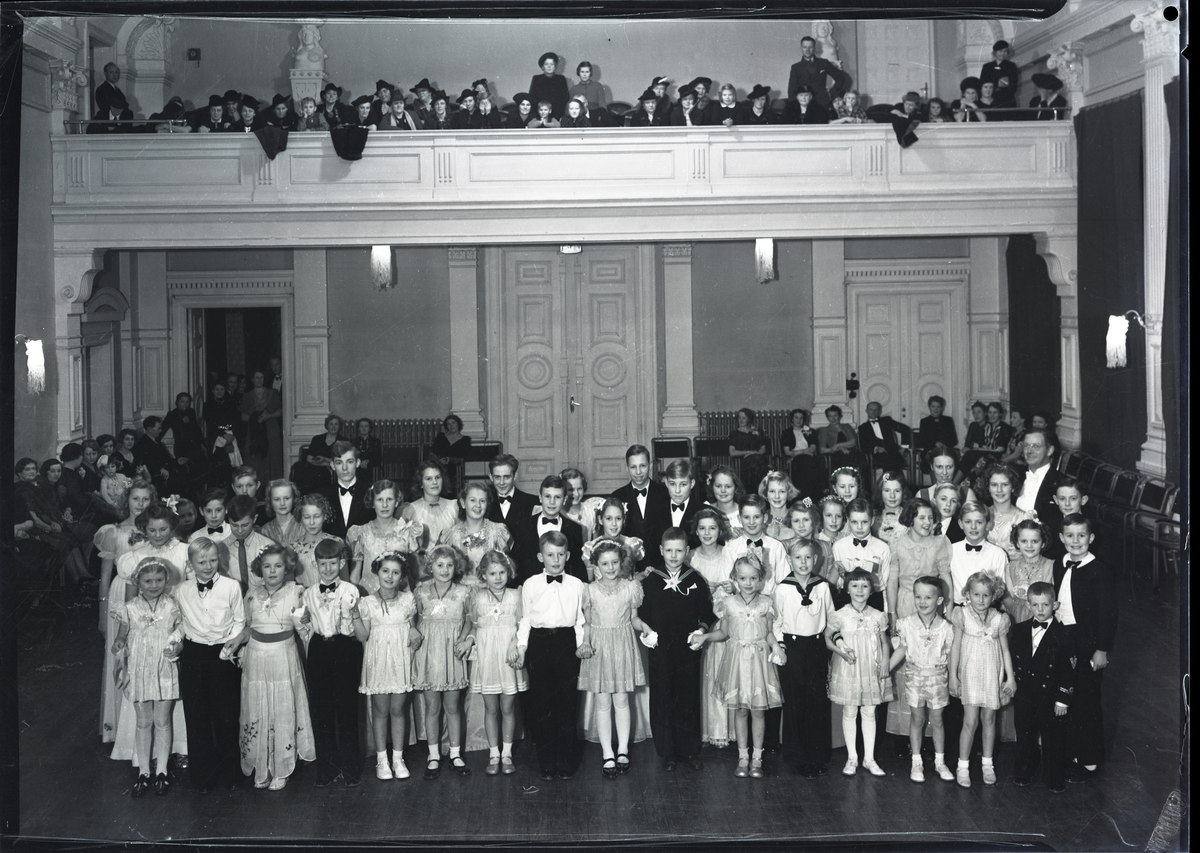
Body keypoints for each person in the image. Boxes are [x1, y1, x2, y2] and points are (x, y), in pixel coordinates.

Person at [225, 545, 313, 790]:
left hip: (283, 656)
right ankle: (260, 766)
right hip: (256, 657)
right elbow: (248, 627)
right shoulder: (252, 594)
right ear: (259, 569)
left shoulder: (297, 592)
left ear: (287, 567)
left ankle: (281, 767)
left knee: (281, 707)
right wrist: (236, 640)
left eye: (278, 565)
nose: (272, 570)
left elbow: (305, 629)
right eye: (267, 566)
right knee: (258, 707)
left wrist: (305, 622)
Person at [699, 555, 784, 780]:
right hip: (736, 662)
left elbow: (768, 633)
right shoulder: (728, 603)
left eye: (753, 578)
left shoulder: (766, 603)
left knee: (758, 710)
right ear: (734, 579)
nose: (748, 583)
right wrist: (706, 636)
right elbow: (724, 632)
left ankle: (757, 757)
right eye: (743, 578)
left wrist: (777, 648)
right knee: (740, 710)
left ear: (761, 580)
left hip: (758, 662)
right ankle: (742, 757)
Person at [515, 530, 592, 780]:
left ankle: (566, 760)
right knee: (542, 704)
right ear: (541, 556)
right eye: (550, 555)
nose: (556, 560)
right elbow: (525, 620)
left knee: (567, 703)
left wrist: (582, 645)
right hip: (538, 643)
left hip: (566, 643)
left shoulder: (576, 584)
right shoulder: (530, 584)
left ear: (567, 555)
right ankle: (546, 762)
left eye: (560, 555)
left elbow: (581, 620)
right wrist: (522, 648)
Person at [639, 527, 715, 772]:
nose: (673, 555)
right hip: (661, 648)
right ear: (661, 550)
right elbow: (643, 614)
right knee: (663, 697)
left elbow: (706, 613)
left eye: (679, 550)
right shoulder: (651, 581)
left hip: (687, 648)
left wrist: (701, 632)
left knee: (688, 697)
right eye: (669, 550)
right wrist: (647, 632)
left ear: (687, 551)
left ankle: (689, 750)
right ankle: (668, 751)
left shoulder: (696, 580)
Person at [175, 537, 245, 793]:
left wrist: (231, 644)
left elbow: (239, 620)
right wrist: (175, 644)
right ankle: (203, 777)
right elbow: (182, 623)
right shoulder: (182, 590)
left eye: (213, 560)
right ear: (191, 563)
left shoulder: (231, 586)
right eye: (201, 561)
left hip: (222, 653)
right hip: (194, 655)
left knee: (226, 717)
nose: (207, 566)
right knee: (197, 718)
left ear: (220, 559)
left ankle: (232, 775)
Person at [111, 557, 183, 797]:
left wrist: (177, 648)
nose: (154, 585)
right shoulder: (129, 607)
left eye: (159, 580)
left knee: (163, 720)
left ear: (166, 580)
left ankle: (162, 770)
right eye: (148, 580)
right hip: (139, 669)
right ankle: (144, 772)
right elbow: (122, 635)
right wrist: (119, 644)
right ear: (138, 582)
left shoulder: (173, 605)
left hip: (164, 667)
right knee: (144, 722)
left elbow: (180, 634)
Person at [1053, 514, 1118, 783]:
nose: (1076, 541)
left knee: (1087, 700)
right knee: (1066, 695)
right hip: (1063, 637)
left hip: (1088, 642)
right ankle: (1071, 752)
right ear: (1061, 538)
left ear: (1090, 538)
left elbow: (1108, 614)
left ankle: (1089, 759)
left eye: (1081, 536)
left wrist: (1101, 649)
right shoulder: (1061, 563)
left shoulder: (1099, 570)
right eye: (1070, 535)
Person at [578, 540, 649, 778]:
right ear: (596, 565)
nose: (610, 568)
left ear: (622, 562)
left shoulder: (631, 588)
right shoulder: (589, 590)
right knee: (602, 702)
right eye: (605, 563)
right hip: (599, 646)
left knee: (621, 700)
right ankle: (607, 752)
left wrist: (645, 628)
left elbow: (634, 619)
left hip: (622, 645)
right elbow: (587, 623)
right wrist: (585, 642)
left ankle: (622, 750)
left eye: (615, 562)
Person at [297, 538, 363, 787]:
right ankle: (327, 769)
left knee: (346, 710)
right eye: (322, 564)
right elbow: (306, 627)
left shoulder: (351, 590)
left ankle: (351, 769)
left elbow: (354, 628)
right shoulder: (309, 593)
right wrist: (302, 621)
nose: (327, 569)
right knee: (321, 710)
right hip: (319, 650)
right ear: (316, 565)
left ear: (341, 562)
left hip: (345, 648)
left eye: (332, 563)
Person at [354, 551, 421, 781]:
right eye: (385, 571)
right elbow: (363, 636)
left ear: (402, 576)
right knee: (381, 710)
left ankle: (398, 758)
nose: (390, 576)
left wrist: (414, 630)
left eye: (395, 572)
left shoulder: (408, 599)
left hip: (400, 659)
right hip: (379, 660)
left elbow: (412, 626)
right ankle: (382, 759)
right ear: (377, 572)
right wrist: (353, 616)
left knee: (398, 709)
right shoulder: (367, 602)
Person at [887, 576, 956, 783]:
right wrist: (886, 670)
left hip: (937, 679)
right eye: (918, 597)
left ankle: (940, 761)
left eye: (928, 597)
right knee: (916, 719)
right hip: (914, 677)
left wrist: (954, 677)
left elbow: (952, 655)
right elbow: (901, 648)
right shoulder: (906, 624)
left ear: (940, 600)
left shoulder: (947, 628)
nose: (923, 601)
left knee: (936, 720)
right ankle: (916, 762)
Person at [949, 571, 1015, 787]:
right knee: (970, 720)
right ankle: (963, 765)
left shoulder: (999, 619)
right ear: (968, 594)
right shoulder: (962, 615)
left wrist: (1010, 678)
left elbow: (1005, 651)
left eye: (985, 595)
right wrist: (953, 676)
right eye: (975, 594)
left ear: (993, 595)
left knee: (989, 719)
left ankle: (988, 764)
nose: (980, 599)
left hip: (991, 674)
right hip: (969, 674)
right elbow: (956, 647)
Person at [774, 538, 834, 778]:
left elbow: (830, 619)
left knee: (817, 702)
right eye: (798, 558)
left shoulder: (822, 586)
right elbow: (776, 622)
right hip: (792, 647)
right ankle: (798, 756)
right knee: (795, 702)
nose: (803, 562)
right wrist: (780, 647)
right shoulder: (782, 588)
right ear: (790, 560)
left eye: (808, 557)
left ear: (816, 560)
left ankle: (817, 755)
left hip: (817, 648)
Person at [411, 546, 472, 778]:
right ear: (431, 567)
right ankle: (433, 754)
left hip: (452, 652)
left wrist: (464, 637)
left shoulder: (464, 591)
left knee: (453, 706)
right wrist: (413, 631)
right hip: (429, 652)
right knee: (432, 707)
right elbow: (413, 618)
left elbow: (469, 619)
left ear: (456, 567)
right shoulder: (421, 591)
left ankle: (455, 754)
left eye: (449, 565)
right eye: (439, 565)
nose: (444, 570)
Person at [464, 551, 526, 776]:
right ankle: (493, 754)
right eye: (492, 573)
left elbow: (524, 626)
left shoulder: (517, 595)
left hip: (509, 657)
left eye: (502, 572)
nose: (498, 577)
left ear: (509, 573)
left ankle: (507, 754)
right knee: (491, 709)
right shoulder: (477, 597)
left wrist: (516, 643)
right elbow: (473, 626)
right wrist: (469, 640)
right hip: (487, 658)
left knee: (508, 708)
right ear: (483, 575)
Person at [825, 568, 892, 777]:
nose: (860, 590)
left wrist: (885, 661)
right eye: (854, 585)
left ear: (872, 590)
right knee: (850, 711)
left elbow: (884, 642)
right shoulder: (840, 615)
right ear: (847, 589)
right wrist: (840, 652)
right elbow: (827, 639)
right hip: (849, 667)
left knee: (870, 711)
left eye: (865, 586)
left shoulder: (878, 616)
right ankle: (852, 757)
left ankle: (869, 758)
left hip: (871, 668)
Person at [1010, 582, 1076, 793]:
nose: (1040, 610)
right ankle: (1024, 769)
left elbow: (1068, 670)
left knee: (1053, 737)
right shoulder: (1019, 630)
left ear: (1054, 605)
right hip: (1025, 693)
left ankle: (1054, 776)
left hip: (1051, 696)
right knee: (1025, 734)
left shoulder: (1063, 635)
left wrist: (1062, 700)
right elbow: (1012, 660)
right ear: (1028, 605)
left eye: (1045, 605)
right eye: (1035, 605)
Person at [688, 508, 735, 749]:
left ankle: (729, 731)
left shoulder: (728, 554)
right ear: (696, 531)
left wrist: (731, 588)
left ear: (720, 530)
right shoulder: (691, 556)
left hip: (725, 621)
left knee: (725, 673)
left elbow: (740, 581)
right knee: (707, 675)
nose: (707, 533)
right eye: (702, 528)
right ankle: (711, 730)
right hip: (702, 622)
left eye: (712, 528)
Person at [348, 479, 424, 594]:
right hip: (370, 598)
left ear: (397, 502)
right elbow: (355, 576)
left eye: (389, 499)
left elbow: (417, 571)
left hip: (400, 597)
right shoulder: (360, 533)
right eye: (379, 500)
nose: (384, 505)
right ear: (372, 503)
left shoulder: (408, 531)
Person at [512, 475, 587, 584]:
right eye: (547, 496)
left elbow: (578, 569)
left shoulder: (574, 529)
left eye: (557, 497)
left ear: (565, 499)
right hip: (531, 591)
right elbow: (516, 564)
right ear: (540, 497)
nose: (552, 502)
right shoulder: (522, 525)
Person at [611, 445, 670, 572]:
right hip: (629, 568)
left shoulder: (665, 494)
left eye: (642, 466)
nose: (638, 472)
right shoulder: (617, 496)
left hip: (661, 565)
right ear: (627, 468)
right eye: (633, 467)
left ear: (650, 465)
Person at [438, 481, 512, 573]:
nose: (478, 505)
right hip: (459, 587)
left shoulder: (497, 532)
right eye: (473, 500)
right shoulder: (451, 535)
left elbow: (507, 568)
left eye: (482, 501)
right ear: (463, 503)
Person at [830, 499, 890, 613]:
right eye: (854, 522)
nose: (859, 527)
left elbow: (884, 582)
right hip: (846, 598)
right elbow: (837, 581)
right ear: (848, 521)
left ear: (872, 521)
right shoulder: (839, 546)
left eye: (864, 522)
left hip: (874, 599)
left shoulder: (883, 548)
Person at [724, 494, 789, 595]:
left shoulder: (776, 547)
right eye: (746, 517)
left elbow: (785, 583)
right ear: (739, 519)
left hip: (770, 605)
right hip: (739, 606)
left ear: (765, 518)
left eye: (756, 517)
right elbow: (727, 582)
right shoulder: (730, 548)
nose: (751, 522)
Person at [1003, 519, 1055, 625]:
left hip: (1042, 618)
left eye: (1035, 541)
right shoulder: (1010, 567)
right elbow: (1011, 600)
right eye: (1024, 541)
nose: (1029, 545)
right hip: (1017, 620)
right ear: (1017, 543)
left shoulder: (1051, 565)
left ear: (1043, 543)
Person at [977, 463, 1031, 561]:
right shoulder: (980, 515)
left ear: (1013, 487)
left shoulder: (1024, 518)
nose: (999, 490)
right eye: (994, 485)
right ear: (988, 487)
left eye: (1005, 485)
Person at [222, 495, 274, 590]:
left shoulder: (268, 546)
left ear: (254, 519)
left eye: (245, 525)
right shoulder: (220, 549)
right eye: (234, 525)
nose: (240, 530)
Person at [321, 442, 372, 539]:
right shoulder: (323, 494)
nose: (344, 468)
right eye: (339, 463)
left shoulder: (370, 492)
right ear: (332, 465)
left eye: (349, 462)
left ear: (358, 463)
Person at [239, 369, 283, 483]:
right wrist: (255, 418)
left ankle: (272, 486)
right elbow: (243, 417)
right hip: (254, 429)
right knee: (255, 456)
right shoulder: (247, 396)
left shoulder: (272, 392)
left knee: (272, 454)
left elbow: (280, 412)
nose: (259, 380)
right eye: (256, 378)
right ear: (252, 380)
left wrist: (268, 416)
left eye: (261, 377)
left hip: (270, 428)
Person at [292, 493, 342, 588]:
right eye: (307, 517)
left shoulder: (337, 542)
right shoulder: (293, 548)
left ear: (325, 516)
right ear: (301, 519)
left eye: (317, 516)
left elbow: (345, 581)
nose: (312, 522)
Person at [787, 35, 850, 111]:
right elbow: (791, 89)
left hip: (822, 103)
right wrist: (794, 106)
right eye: (805, 47)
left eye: (810, 47)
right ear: (801, 48)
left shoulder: (824, 63)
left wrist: (834, 91)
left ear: (814, 48)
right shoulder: (796, 67)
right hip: (803, 104)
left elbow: (840, 77)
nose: (807, 49)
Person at [160, 393, 205, 492]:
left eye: (187, 402)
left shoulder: (191, 412)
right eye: (182, 401)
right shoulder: (172, 414)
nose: (185, 404)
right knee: (184, 472)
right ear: (177, 402)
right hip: (182, 447)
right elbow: (162, 430)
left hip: (194, 447)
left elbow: (196, 429)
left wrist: (202, 443)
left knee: (196, 473)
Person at [1015, 428, 1062, 524]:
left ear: (1049, 450)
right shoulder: (1015, 476)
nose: (1029, 451)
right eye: (1026, 445)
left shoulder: (1060, 482)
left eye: (1036, 446)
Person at [408, 460, 458, 547]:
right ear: (421, 483)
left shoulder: (453, 506)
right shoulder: (412, 509)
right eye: (428, 479)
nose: (434, 482)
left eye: (437, 477)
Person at [484, 453, 538, 534]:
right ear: (491, 477)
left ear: (515, 475)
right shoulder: (484, 502)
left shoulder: (533, 502)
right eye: (497, 477)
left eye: (506, 477)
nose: (502, 483)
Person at [858, 401, 911, 478]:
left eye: (876, 410)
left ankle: (888, 484)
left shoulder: (886, 421)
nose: (873, 412)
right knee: (890, 462)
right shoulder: (863, 428)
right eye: (871, 410)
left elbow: (906, 429)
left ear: (880, 412)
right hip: (876, 455)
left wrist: (903, 447)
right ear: (867, 411)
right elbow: (863, 446)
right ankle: (893, 483)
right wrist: (876, 448)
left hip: (893, 452)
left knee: (892, 461)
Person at [133, 417, 178, 495]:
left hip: (166, 473)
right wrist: (160, 469)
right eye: (159, 428)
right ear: (150, 429)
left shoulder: (158, 443)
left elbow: (168, 459)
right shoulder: (141, 444)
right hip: (155, 477)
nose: (161, 431)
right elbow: (144, 462)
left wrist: (177, 461)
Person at [561, 468, 606, 543]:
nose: (576, 494)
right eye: (570, 490)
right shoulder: (560, 513)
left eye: (579, 489)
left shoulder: (591, 511)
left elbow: (595, 543)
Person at [728, 409, 769, 490]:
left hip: (758, 458)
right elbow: (732, 452)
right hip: (744, 460)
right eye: (739, 417)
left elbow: (763, 449)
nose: (741, 420)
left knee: (757, 460)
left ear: (749, 419)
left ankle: (754, 491)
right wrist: (748, 452)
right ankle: (758, 491)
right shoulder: (734, 434)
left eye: (744, 418)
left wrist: (755, 454)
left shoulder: (757, 431)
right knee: (757, 462)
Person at [817, 406, 861, 476]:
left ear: (840, 416)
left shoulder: (847, 426)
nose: (833, 419)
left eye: (835, 416)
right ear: (827, 418)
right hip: (835, 455)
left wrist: (838, 445)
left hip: (852, 452)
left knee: (861, 460)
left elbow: (853, 442)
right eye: (830, 416)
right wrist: (837, 449)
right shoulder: (824, 430)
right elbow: (822, 450)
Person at [260, 479, 305, 549]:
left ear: (294, 499)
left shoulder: (303, 526)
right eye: (277, 499)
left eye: (287, 498)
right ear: (270, 501)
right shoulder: (265, 530)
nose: (282, 503)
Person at [760, 470, 800, 543]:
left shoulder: (796, 516)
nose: (777, 496)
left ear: (788, 493)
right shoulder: (761, 520)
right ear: (766, 493)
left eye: (782, 491)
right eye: (772, 491)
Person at [529, 51, 570, 120]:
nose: (549, 66)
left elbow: (565, 98)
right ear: (542, 66)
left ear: (555, 66)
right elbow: (532, 97)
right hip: (540, 114)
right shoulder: (536, 78)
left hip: (558, 114)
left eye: (552, 64)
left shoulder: (561, 79)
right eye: (546, 64)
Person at [872, 471, 908, 545]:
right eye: (887, 491)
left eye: (897, 491)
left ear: (903, 492)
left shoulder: (909, 515)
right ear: (880, 492)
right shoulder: (872, 515)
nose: (892, 496)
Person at [980, 40, 1019, 109]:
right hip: (990, 100)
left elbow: (1013, 86)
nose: (1002, 54)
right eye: (1000, 51)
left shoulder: (1011, 66)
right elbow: (983, 83)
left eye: (1005, 51)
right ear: (995, 53)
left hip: (1007, 100)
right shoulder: (987, 66)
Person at [706, 464, 744, 531]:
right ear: (712, 487)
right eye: (718, 486)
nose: (723, 490)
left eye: (728, 486)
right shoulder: (706, 510)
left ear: (736, 488)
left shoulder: (744, 511)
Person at [351, 418, 382, 484]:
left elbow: (378, 458)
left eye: (366, 426)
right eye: (361, 426)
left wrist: (368, 462)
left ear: (370, 428)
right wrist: (359, 462)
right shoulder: (353, 441)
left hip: (372, 469)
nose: (364, 428)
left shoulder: (376, 441)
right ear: (358, 428)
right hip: (357, 468)